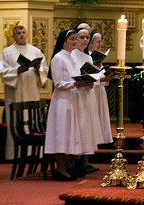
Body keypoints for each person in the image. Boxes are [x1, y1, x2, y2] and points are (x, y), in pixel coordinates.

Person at [44, 29, 96, 180]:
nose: (74, 41)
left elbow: (75, 76)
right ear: (63, 41)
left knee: (70, 134)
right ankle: (59, 168)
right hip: (62, 102)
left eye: (75, 39)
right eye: (71, 39)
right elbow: (59, 83)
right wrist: (77, 83)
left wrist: (87, 83)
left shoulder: (71, 57)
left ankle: (68, 165)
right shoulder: (58, 58)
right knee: (62, 134)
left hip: (73, 100)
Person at [0, 25, 48, 160]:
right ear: (14, 36)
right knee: (17, 120)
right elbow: (3, 72)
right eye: (18, 33)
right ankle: (14, 154)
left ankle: (33, 153)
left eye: (23, 32)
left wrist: (38, 68)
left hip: (31, 90)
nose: (21, 35)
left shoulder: (36, 51)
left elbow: (44, 70)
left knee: (31, 119)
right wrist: (17, 71)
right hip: (16, 92)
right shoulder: (7, 52)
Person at [72, 24, 106, 174]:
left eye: (87, 37)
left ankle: (85, 161)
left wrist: (102, 76)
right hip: (77, 95)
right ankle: (75, 162)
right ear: (75, 39)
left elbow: (94, 76)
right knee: (79, 129)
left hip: (89, 93)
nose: (85, 40)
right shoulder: (71, 55)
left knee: (87, 129)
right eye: (82, 37)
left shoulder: (87, 56)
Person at [84, 31, 113, 148]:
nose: (100, 44)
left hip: (100, 90)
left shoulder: (98, 56)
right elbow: (88, 76)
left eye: (101, 42)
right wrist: (101, 79)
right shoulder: (87, 56)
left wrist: (107, 78)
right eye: (97, 42)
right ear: (90, 43)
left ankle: (101, 138)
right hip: (92, 90)